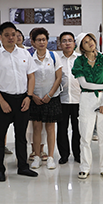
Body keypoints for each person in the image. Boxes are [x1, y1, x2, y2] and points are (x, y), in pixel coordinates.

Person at [0, 22, 38, 182]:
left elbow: (31, 76)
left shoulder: (24, 54)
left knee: (21, 136)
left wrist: (29, 97)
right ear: (0, 37)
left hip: (23, 99)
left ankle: (23, 166)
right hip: (2, 99)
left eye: (13, 34)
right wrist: (2, 101)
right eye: (7, 35)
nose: (11, 38)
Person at [72, 32, 103, 179]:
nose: (90, 43)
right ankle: (85, 167)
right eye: (85, 42)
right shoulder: (79, 61)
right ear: (81, 47)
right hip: (87, 98)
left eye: (91, 39)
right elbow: (84, 84)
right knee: (85, 135)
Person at [28, 28, 62, 170]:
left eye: (44, 39)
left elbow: (58, 77)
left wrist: (50, 95)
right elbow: (27, 78)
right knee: (36, 128)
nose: (42, 42)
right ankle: (36, 156)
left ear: (47, 41)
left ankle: (51, 157)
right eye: (38, 40)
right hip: (35, 97)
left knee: (50, 128)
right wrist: (33, 96)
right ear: (33, 42)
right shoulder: (29, 57)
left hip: (51, 97)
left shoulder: (54, 56)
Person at [57, 32, 81, 164]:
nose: (67, 43)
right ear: (60, 44)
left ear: (74, 43)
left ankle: (78, 154)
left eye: (70, 40)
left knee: (78, 129)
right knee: (62, 129)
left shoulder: (81, 59)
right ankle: (64, 155)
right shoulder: (57, 60)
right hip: (62, 99)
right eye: (64, 41)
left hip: (79, 99)